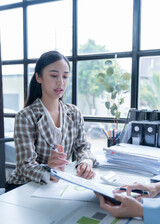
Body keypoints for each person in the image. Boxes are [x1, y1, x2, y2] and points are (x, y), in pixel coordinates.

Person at [6, 50, 96, 192]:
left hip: (54, 185)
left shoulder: (74, 113)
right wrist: (49, 172)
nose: (60, 82)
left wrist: (85, 162)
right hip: (23, 186)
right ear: (38, 77)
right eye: (54, 75)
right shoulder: (26, 116)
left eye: (65, 76)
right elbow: (25, 165)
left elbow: (83, 147)